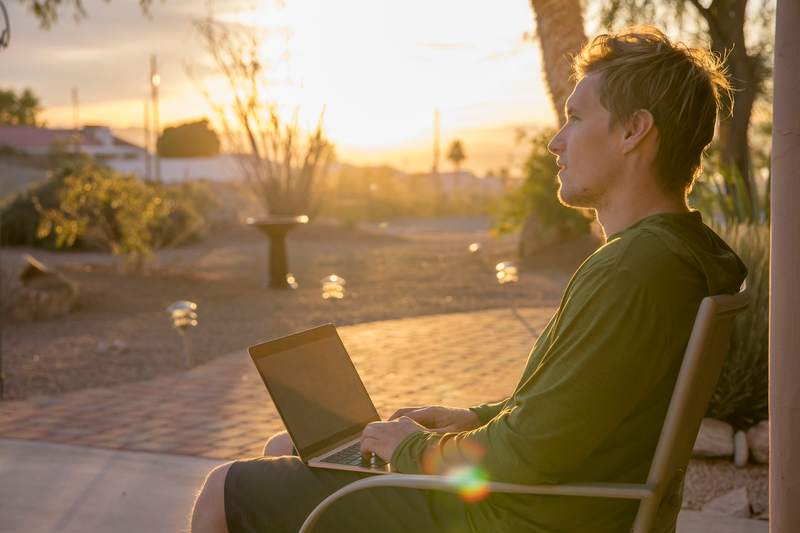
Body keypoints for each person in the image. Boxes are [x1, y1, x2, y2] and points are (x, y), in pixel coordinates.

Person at [191, 25, 747, 533]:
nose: (556, 142)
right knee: (288, 445)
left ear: (634, 131)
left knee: (224, 489)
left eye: (576, 119)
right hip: (564, 502)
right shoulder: (681, 255)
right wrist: (468, 418)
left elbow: (528, 453)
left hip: (519, 515)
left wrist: (412, 449)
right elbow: (570, 411)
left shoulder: (634, 269)